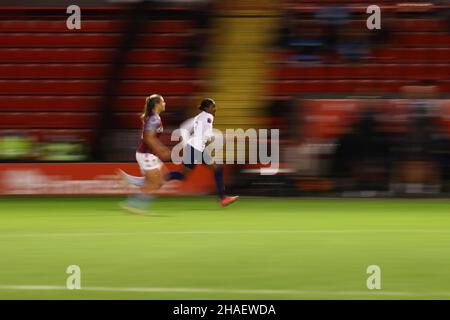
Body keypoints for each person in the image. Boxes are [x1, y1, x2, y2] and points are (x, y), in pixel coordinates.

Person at [120, 98, 239, 208]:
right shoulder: (208, 116)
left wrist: (186, 143)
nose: (215, 109)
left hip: (194, 148)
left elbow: (187, 128)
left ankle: (142, 181)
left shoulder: (198, 117)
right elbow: (207, 134)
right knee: (216, 169)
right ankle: (223, 198)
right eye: (213, 107)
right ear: (207, 108)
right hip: (196, 149)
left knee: (184, 175)